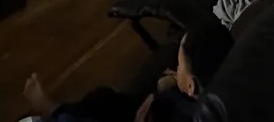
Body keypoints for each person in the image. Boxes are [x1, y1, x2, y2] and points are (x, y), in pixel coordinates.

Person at [22, 18, 232, 122]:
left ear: (191, 85)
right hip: (157, 105)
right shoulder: (215, 89)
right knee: (104, 98)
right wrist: (167, 86)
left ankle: (51, 109)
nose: (175, 69)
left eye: (179, 66)